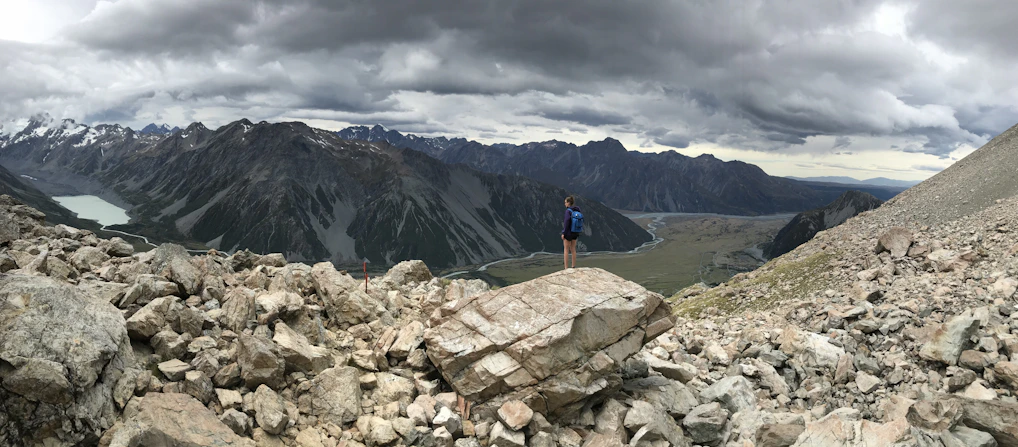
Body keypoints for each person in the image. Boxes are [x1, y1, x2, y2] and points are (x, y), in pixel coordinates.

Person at [562, 196, 581, 269]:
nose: (565, 204)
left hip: (568, 232)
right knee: (573, 249)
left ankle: (566, 267)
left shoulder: (568, 211)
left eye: (565, 202)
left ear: (569, 203)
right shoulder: (577, 210)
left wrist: (564, 233)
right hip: (575, 232)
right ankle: (573, 266)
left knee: (566, 249)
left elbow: (567, 222)